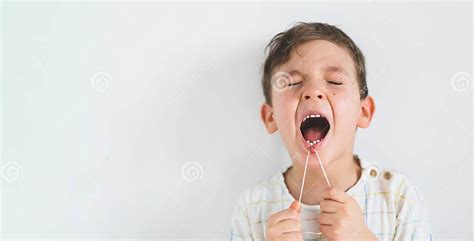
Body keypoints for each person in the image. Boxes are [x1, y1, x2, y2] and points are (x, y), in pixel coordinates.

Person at [230, 22, 432, 241]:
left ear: (363, 112)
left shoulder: (397, 197)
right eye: (293, 82)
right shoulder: (252, 207)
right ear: (271, 118)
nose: (313, 91)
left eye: (334, 81)